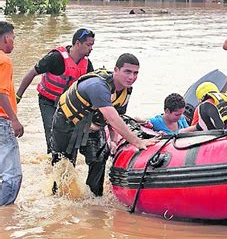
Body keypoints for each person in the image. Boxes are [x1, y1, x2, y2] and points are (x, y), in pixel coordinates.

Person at [50, 53, 155, 196]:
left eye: (136, 73)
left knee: (99, 158)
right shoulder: (98, 86)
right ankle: (58, 199)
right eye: (127, 72)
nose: (132, 77)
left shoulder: (126, 89)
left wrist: (113, 140)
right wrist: (137, 141)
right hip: (67, 123)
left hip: (92, 126)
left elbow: (117, 116)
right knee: (64, 164)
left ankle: (94, 198)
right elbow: (112, 118)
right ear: (116, 70)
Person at [16, 28, 95, 153]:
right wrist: (18, 96)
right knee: (52, 132)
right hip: (48, 102)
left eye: (92, 45)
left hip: (69, 106)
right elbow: (32, 73)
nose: (91, 48)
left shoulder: (87, 64)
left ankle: (67, 166)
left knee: (71, 137)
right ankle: (53, 162)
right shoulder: (55, 58)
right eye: (88, 45)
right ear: (78, 43)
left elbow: (91, 88)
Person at [0, 22, 24, 206]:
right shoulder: (4, 60)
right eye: (13, 38)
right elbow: (1, 93)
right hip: (2, 121)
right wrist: (14, 120)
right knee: (12, 176)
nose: (13, 43)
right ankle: (6, 219)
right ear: (6, 38)